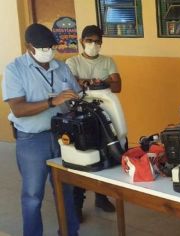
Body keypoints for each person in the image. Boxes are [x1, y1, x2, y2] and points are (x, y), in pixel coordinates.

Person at [2, 23, 80, 236]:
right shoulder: (14, 69)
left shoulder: (61, 66)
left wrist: (75, 100)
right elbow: (17, 108)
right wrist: (52, 102)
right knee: (32, 195)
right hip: (32, 140)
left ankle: (69, 232)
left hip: (62, 137)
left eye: (51, 47)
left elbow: (76, 93)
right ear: (29, 47)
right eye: (44, 48)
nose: (49, 51)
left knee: (65, 190)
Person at [66, 25, 121, 222]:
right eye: (89, 40)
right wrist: (98, 82)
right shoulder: (72, 61)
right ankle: (77, 205)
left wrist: (89, 82)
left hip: (105, 117)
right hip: (81, 117)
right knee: (82, 159)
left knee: (104, 156)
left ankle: (101, 197)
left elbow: (118, 85)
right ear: (82, 41)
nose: (94, 45)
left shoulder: (108, 61)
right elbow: (72, 83)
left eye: (98, 41)